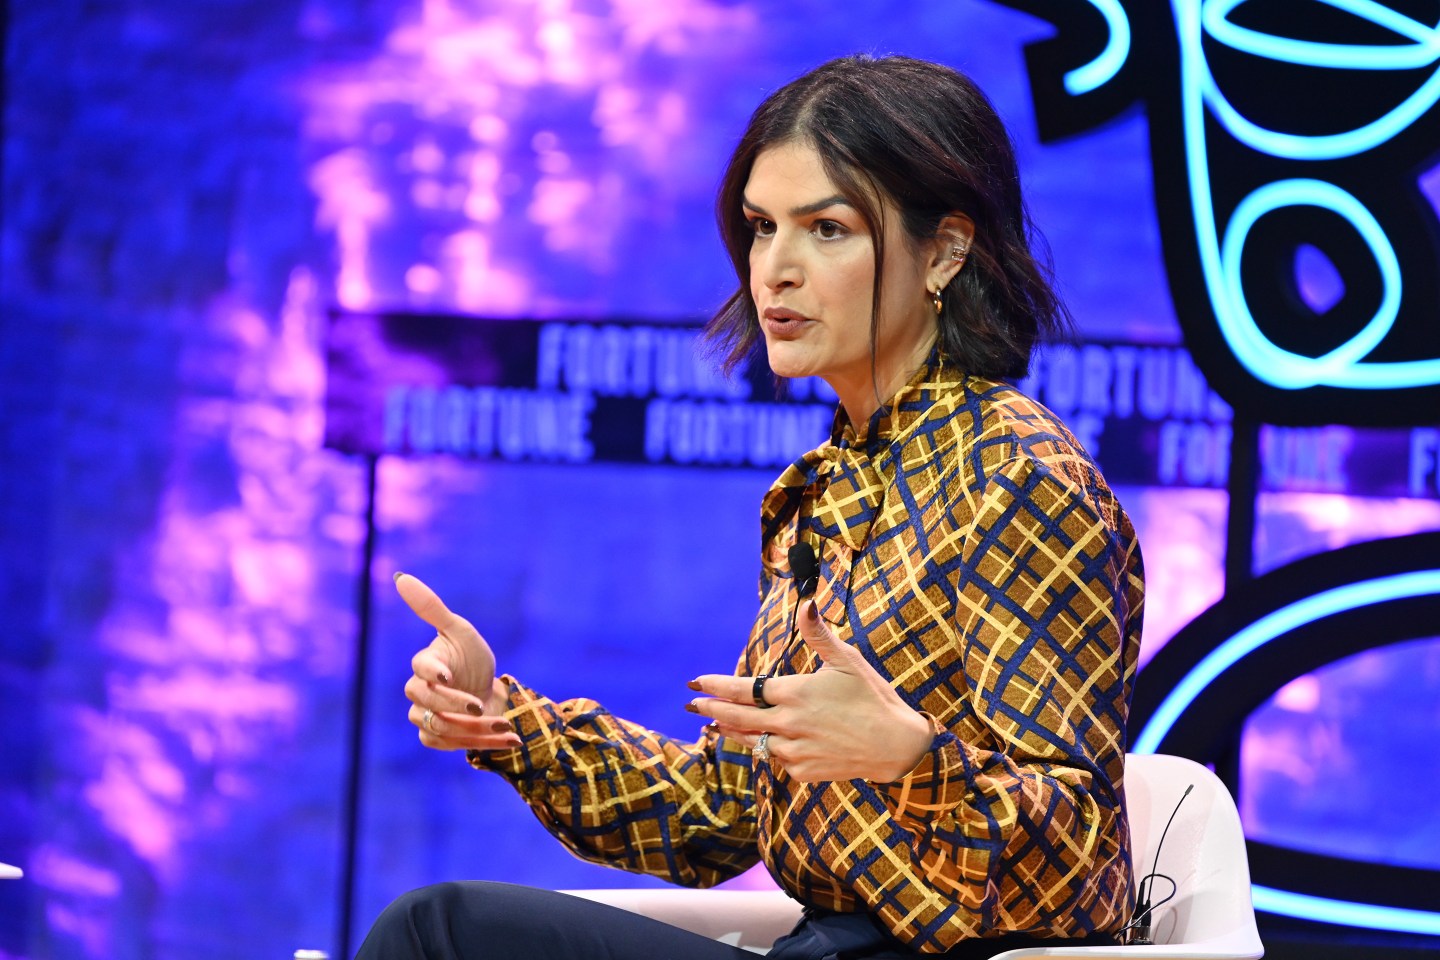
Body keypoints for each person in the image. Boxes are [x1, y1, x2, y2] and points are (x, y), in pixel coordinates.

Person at [357, 54, 1144, 960]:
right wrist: (502, 718)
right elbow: (720, 814)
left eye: (829, 229)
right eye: (763, 228)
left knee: (438, 938)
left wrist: (910, 762)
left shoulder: (1017, 479)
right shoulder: (823, 488)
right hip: (815, 945)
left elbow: (1083, 864)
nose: (776, 269)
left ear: (945, 252)